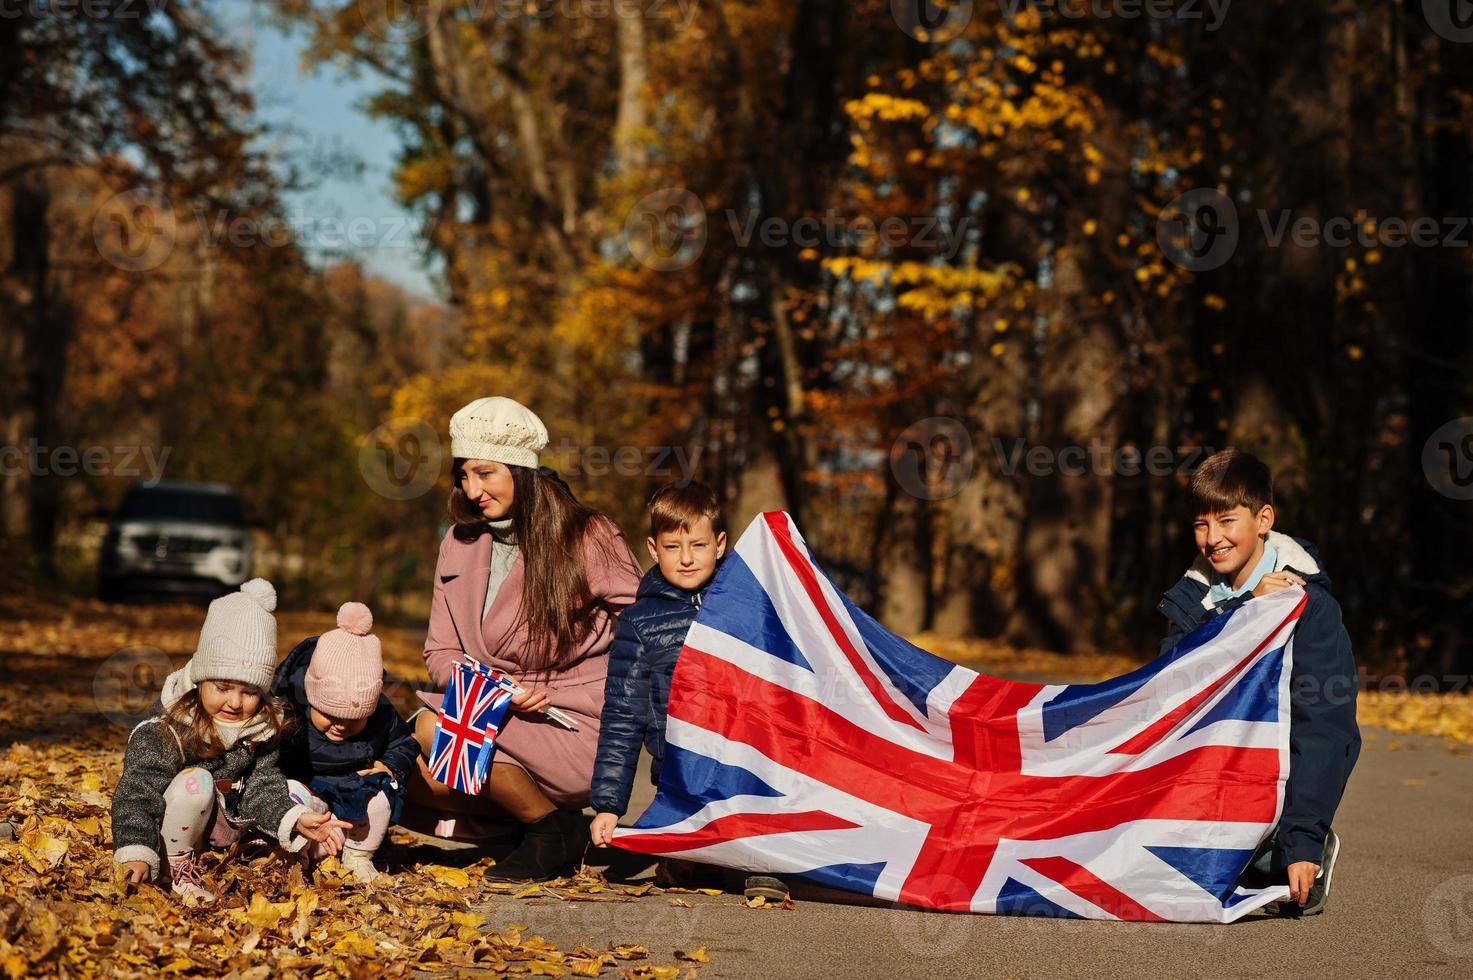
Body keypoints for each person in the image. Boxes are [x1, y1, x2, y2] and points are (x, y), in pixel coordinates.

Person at [406, 396, 641, 882]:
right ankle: (535, 826)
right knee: (401, 753)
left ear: (521, 468)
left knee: (433, 729)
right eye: (463, 475)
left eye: (485, 473)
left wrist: (606, 696)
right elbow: (440, 651)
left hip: (572, 722)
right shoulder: (459, 541)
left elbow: (644, 625)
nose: (472, 490)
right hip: (486, 709)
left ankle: (548, 831)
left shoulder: (586, 535)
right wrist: (491, 688)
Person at [1158, 450, 1359, 916]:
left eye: (1227, 521)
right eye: (1201, 525)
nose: (1213, 539)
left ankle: (1292, 848)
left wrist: (1303, 840)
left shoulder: (1310, 606)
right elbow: (1171, 686)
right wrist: (1245, 610)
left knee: (1265, 866)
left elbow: (1324, 726)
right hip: (1209, 763)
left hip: (1273, 770)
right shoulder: (1193, 597)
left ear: (1264, 518)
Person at [588, 481, 787, 902]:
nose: (686, 558)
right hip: (680, 772)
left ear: (719, 544)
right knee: (694, 862)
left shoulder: (750, 607)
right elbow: (623, 717)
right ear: (653, 549)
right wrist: (609, 805)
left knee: (756, 817)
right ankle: (689, 854)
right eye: (673, 547)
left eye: (697, 544)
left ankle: (762, 860)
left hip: (748, 766)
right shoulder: (640, 622)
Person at [110, 579, 352, 904]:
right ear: (201, 679)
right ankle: (176, 865)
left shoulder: (260, 727)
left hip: (229, 820)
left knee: (294, 791)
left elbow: (263, 784)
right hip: (178, 823)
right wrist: (137, 849)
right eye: (223, 687)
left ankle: (278, 853)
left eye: (250, 691)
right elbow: (138, 790)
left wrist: (293, 817)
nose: (235, 703)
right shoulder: (167, 727)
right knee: (196, 782)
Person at [272, 601, 420, 883]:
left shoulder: (381, 713)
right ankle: (300, 852)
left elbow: (404, 742)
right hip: (309, 787)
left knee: (379, 799)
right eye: (330, 715)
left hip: (355, 791)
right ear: (312, 697)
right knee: (290, 794)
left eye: (354, 719)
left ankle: (358, 854)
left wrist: (390, 767)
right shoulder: (291, 710)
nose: (341, 725)